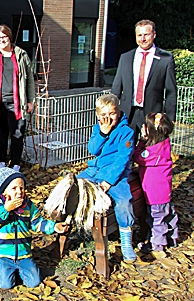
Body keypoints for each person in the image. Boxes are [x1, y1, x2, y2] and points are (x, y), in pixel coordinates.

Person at [0, 167, 69, 289]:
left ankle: (19, 270)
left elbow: (37, 222)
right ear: (4, 191)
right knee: (5, 285)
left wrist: (54, 226)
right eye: (14, 188)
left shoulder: (28, 205)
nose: (19, 192)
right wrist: (5, 210)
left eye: (22, 188)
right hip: (2, 254)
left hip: (23, 253)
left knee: (34, 283)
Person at [77, 94, 136, 262]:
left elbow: (122, 159)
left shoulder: (126, 132)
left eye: (112, 114)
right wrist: (102, 134)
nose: (108, 118)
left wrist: (109, 182)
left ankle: (126, 238)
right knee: (74, 187)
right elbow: (93, 150)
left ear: (118, 112)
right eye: (104, 115)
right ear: (98, 116)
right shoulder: (99, 128)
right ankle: (73, 225)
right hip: (95, 170)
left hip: (115, 174)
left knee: (124, 200)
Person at [0, 24, 35, 172]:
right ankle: (2, 162)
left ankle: (15, 164)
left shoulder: (21, 55)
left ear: (9, 37)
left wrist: (30, 101)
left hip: (17, 103)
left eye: (4, 37)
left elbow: (29, 80)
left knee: (18, 134)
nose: (2, 40)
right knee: (1, 134)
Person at [111, 19, 177, 139]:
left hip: (152, 115)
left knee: (150, 152)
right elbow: (116, 87)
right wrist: (111, 111)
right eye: (139, 35)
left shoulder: (165, 59)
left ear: (154, 35)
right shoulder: (125, 57)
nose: (143, 39)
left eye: (146, 34)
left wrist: (170, 118)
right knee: (125, 150)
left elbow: (171, 91)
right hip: (127, 114)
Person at [133, 113, 178, 252]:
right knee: (168, 214)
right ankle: (172, 238)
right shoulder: (164, 145)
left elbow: (137, 156)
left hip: (154, 195)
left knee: (156, 220)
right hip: (164, 192)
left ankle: (157, 245)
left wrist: (141, 140)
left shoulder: (152, 152)